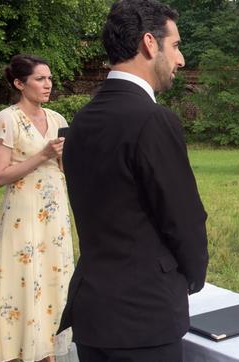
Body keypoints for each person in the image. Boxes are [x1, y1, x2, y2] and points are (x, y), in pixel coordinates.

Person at [58, 1, 208, 361]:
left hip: (94, 312)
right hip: (144, 317)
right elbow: (184, 219)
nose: (181, 59)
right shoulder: (153, 119)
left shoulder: (82, 120)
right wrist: (191, 277)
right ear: (149, 43)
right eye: (175, 45)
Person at [0, 54, 74, 362]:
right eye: (40, 79)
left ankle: (45, 351)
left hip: (55, 214)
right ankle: (15, 353)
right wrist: (43, 154)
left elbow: (64, 168)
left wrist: (64, 158)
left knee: (52, 278)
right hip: (23, 215)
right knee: (22, 278)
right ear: (19, 83)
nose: (47, 84)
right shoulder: (5, 120)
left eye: (49, 78)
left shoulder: (58, 120)